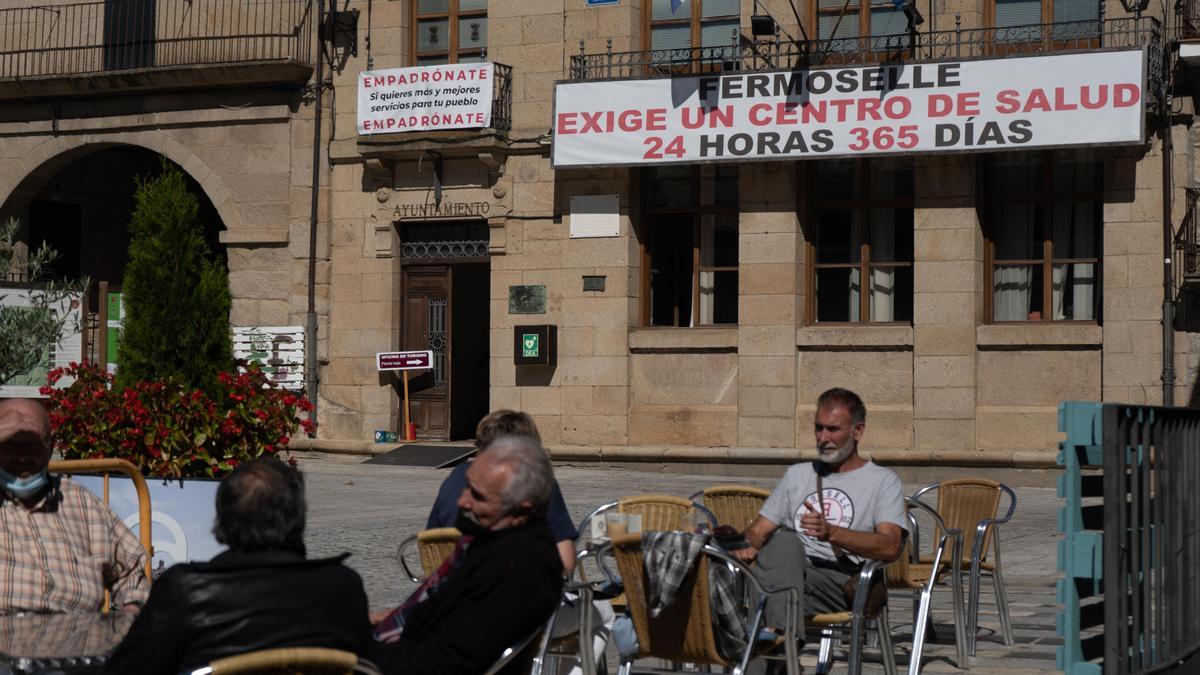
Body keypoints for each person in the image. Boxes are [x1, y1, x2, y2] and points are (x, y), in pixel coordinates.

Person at [105, 457, 372, 674]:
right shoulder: (343, 586)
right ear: (298, 515)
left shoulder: (186, 590)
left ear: (222, 517)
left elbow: (128, 668)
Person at [372, 435, 564, 674]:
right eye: (466, 486)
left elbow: (445, 660)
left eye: (478, 496)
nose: (462, 501)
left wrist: (355, 652)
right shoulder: (491, 538)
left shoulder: (518, 566)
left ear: (521, 511)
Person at [737, 388, 906, 633]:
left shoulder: (882, 481)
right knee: (765, 564)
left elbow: (890, 546)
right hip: (790, 576)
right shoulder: (798, 474)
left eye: (833, 429)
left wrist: (832, 533)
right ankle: (780, 647)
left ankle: (776, 651)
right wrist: (743, 543)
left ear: (858, 431)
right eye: (818, 428)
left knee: (772, 565)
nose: (823, 437)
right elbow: (758, 532)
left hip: (840, 581)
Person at [0, 398, 148, 616]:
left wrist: (130, 614)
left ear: (50, 447)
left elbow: (133, 573)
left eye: (32, 445)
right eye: (10, 445)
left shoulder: (81, 502)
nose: (22, 456)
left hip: (76, 640)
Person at [425, 409, 578, 574]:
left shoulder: (457, 474)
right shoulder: (535, 483)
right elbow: (565, 562)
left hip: (450, 585)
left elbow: (431, 543)